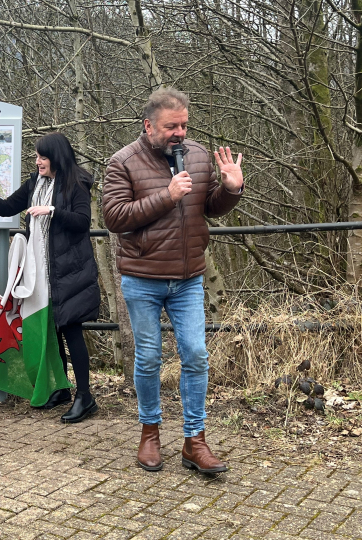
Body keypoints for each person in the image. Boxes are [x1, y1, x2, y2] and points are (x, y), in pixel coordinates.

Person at [102, 88, 244, 473]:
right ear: (149, 126)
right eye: (171, 127)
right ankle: (150, 433)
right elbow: (114, 218)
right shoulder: (123, 162)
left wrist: (230, 190)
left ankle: (194, 442)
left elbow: (207, 207)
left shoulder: (197, 155)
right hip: (143, 277)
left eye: (184, 125)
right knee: (148, 358)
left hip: (187, 279)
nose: (179, 133)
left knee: (196, 356)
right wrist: (166, 196)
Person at [0, 132, 101, 423]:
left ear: (56, 157)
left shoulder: (77, 183)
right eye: (36, 156)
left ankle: (86, 397)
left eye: (42, 156)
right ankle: (63, 388)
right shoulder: (35, 183)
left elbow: (82, 222)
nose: (37, 161)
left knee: (71, 331)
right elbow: (7, 207)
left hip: (69, 272)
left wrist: (53, 211)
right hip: (41, 271)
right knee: (51, 332)